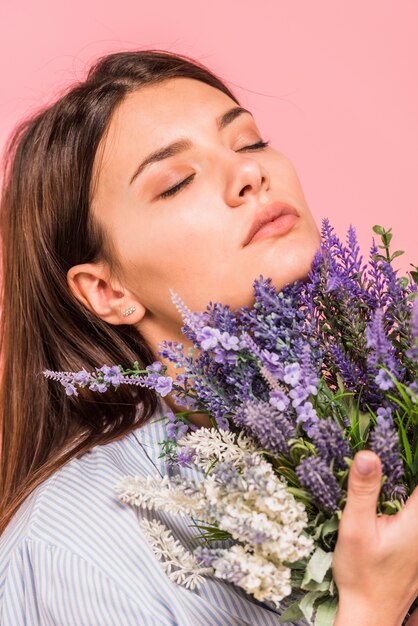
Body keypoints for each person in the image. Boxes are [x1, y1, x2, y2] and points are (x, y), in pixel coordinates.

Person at [0, 49, 417, 626]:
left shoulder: (372, 421)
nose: (250, 173)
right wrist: (373, 607)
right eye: (175, 183)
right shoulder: (74, 553)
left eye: (249, 142)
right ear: (106, 290)